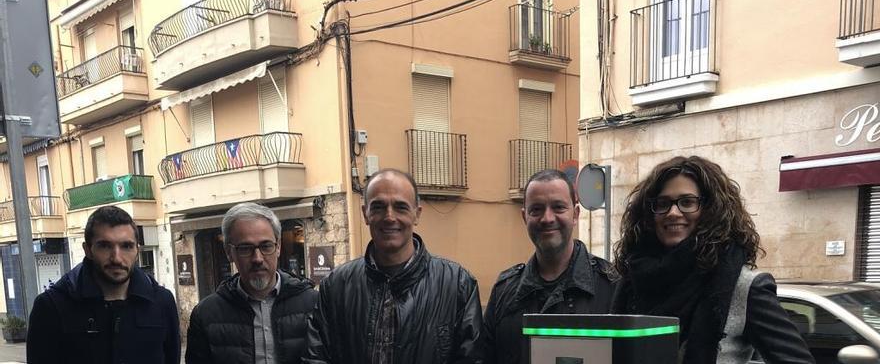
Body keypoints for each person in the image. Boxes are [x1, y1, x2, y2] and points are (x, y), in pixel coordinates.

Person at [611, 156, 814, 363]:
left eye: (687, 202)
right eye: (662, 203)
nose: (673, 212)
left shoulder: (744, 287)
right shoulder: (631, 281)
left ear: (711, 210)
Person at [305, 168, 484, 364]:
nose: (389, 217)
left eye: (400, 207)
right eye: (378, 207)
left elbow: (472, 358)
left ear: (417, 214)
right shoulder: (336, 285)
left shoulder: (457, 285)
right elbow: (317, 357)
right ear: (365, 214)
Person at [483, 169, 615, 364]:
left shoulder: (612, 286)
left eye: (558, 207)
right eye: (536, 209)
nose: (547, 218)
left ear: (576, 214)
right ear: (524, 217)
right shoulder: (504, 292)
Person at [27, 205, 180, 364]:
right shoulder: (51, 306)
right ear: (88, 250)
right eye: (105, 246)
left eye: (126, 246)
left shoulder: (162, 301)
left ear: (137, 251)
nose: (117, 258)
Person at [186, 202, 318, 363]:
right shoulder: (206, 315)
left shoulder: (315, 305)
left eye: (266, 246)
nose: (257, 258)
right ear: (229, 252)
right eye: (245, 248)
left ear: (278, 247)